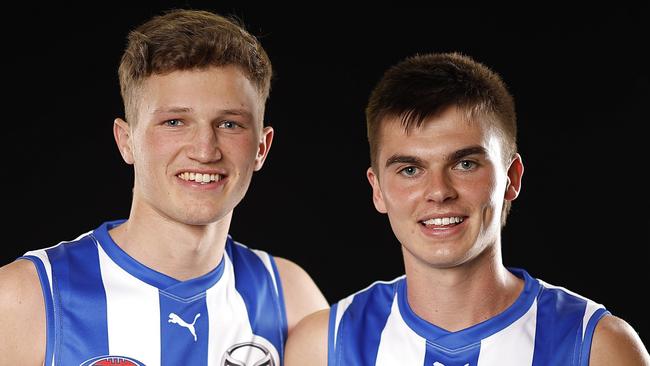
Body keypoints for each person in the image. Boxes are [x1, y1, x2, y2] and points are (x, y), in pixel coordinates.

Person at [0, 9, 328, 366]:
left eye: (230, 124)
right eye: (174, 121)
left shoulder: (291, 299)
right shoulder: (24, 298)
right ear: (126, 141)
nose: (205, 150)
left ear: (261, 148)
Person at [285, 52, 649, 365]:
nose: (439, 192)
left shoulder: (598, 347)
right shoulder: (322, 348)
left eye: (465, 164)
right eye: (410, 170)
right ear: (377, 189)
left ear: (512, 178)